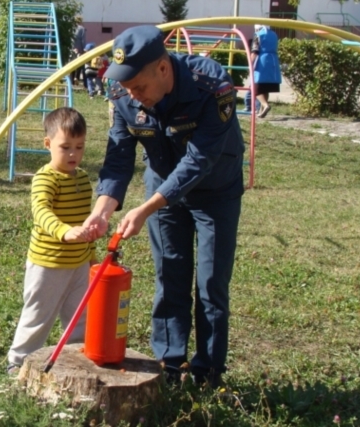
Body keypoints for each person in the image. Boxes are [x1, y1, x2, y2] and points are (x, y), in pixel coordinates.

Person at [85, 25, 245, 388]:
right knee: (169, 275)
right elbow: (119, 157)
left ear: (162, 68)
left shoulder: (212, 86)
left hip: (215, 191)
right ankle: (170, 366)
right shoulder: (123, 94)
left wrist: (145, 208)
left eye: (138, 87)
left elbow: (199, 161)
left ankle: (207, 373)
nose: (133, 97)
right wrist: (102, 210)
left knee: (211, 284)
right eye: (127, 89)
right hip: (161, 186)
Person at [7, 107, 96, 375]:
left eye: (79, 147)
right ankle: (19, 360)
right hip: (48, 264)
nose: (73, 154)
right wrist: (64, 231)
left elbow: (86, 221)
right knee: (38, 314)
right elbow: (41, 211)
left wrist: (91, 256)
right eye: (65, 147)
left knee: (80, 314)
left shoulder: (83, 179)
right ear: (47, 144)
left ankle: (76, 356)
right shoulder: (46, 178)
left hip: (79, 264)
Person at [251, 24, 282, 118]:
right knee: (266, 87)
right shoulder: (274, 34)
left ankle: (265, 105)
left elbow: (255, 50)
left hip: (262, 61)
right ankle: (261, 110)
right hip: (273, 60)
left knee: (256, 87)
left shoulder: (258, 35)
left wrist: (250, 63)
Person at [70, 16, 86, 86]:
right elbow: (83, 40)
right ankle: (76, 77)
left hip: (71, 49)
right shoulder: (82, 29)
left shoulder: (71, 28)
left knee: (72, 64)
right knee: (79, 64)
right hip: (79, 48)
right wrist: (84, 49)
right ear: (81, 21)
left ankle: (71, 80)